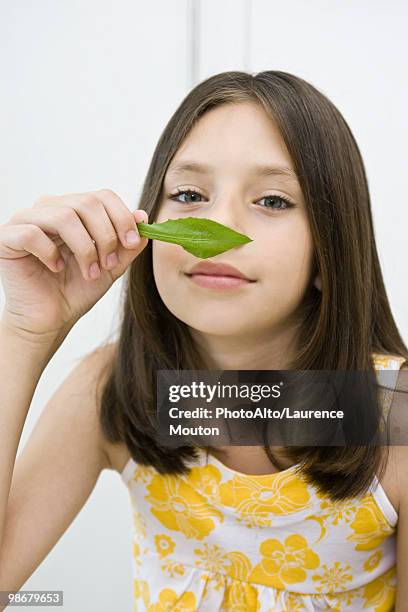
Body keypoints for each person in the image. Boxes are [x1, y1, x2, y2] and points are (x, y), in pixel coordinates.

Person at [0, 70, 407, 611]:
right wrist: (25, 331)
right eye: (190, 194)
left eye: (273, 200)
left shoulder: (394, 416)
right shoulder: (116, 389)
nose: (219, 223)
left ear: (330, 255)